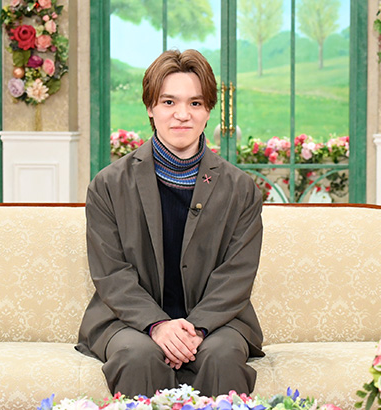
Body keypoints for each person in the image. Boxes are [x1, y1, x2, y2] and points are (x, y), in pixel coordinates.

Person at [76, 49, 264, 397]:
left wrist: (196, 329)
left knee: (221, 356)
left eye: (195, 103)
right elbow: (111, 274)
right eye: (168, 102)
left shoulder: (241, 189)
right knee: (139, 356)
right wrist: (158, 325)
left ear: (208, 110)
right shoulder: (108, 185)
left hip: (218, 322)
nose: (182, 114)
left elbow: (237, 275)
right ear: (150, 107)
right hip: (127, 322)